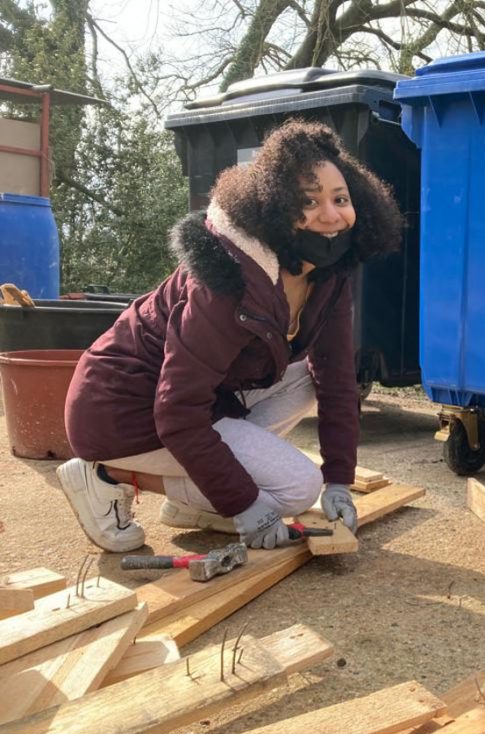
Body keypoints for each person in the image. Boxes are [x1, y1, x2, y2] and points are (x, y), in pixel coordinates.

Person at [56, 119, 403, 553]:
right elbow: (178, 412)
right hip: (122, 413)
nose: (331, 215)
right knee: (297, 489)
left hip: (201, 402)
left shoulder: (327, 275)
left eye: (340, 198)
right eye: (308, 201)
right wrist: (243, 503)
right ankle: (106, 476)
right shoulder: (227, 283)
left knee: (308, 380)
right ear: (273, 207)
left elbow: (335, 377)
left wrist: (338, 479)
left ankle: (198, 503)